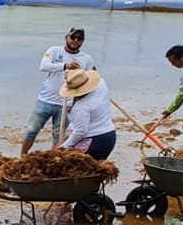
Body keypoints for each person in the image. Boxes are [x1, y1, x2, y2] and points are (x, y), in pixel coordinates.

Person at [21, 27, 95, 156]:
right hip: (45, 100)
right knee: (31, 130)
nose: (76, 40)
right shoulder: (54, 51)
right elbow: (43, 66)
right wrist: (64, 66)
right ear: (66, 37)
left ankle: (52, 160)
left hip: (66, 104)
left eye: (80, 38)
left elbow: (90, 80)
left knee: (58, 136)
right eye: (73, 37)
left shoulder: (86, 58)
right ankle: (22, 156)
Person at [58, 69, 116, 161]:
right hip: (109, 136)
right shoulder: (101, 83)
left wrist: (64, 146)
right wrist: (73, 74)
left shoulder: (81, 107)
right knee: (97, 169)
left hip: (94, 141)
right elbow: (91, 74)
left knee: (73, 166)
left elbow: (81, 131)